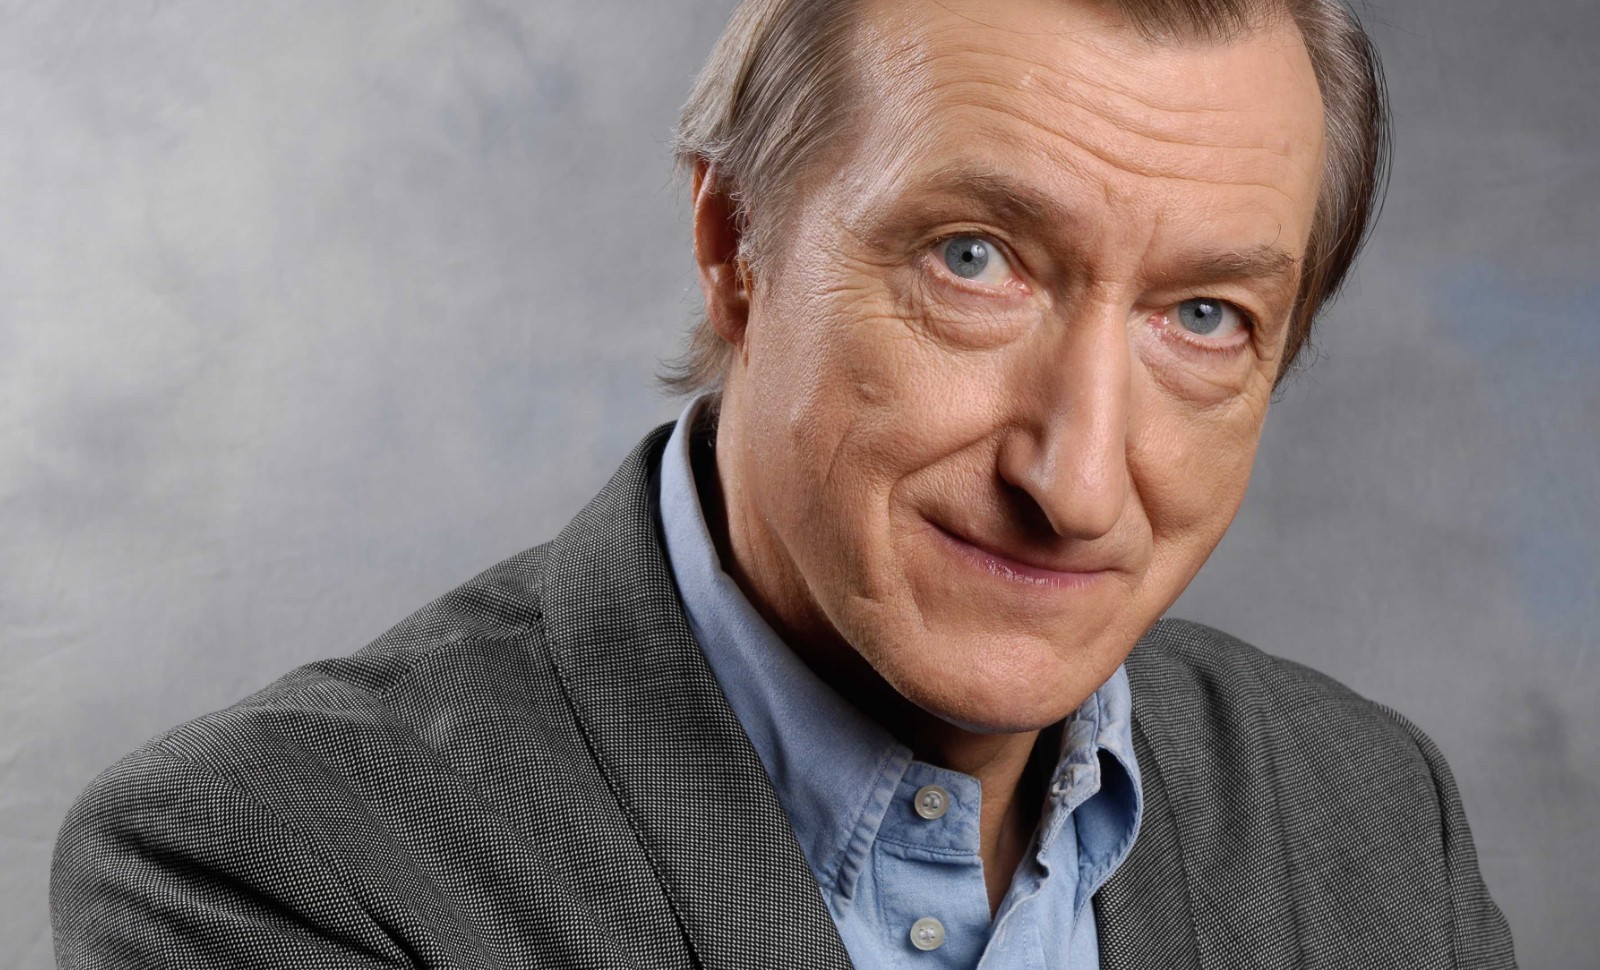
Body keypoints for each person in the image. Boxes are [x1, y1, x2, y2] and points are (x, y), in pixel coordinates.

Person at [50, 0, 1518, 966]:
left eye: (1203, 315)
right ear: (733, 244)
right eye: (974, 261)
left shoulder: (1372, 816)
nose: (1076, 482)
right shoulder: (268, 863)